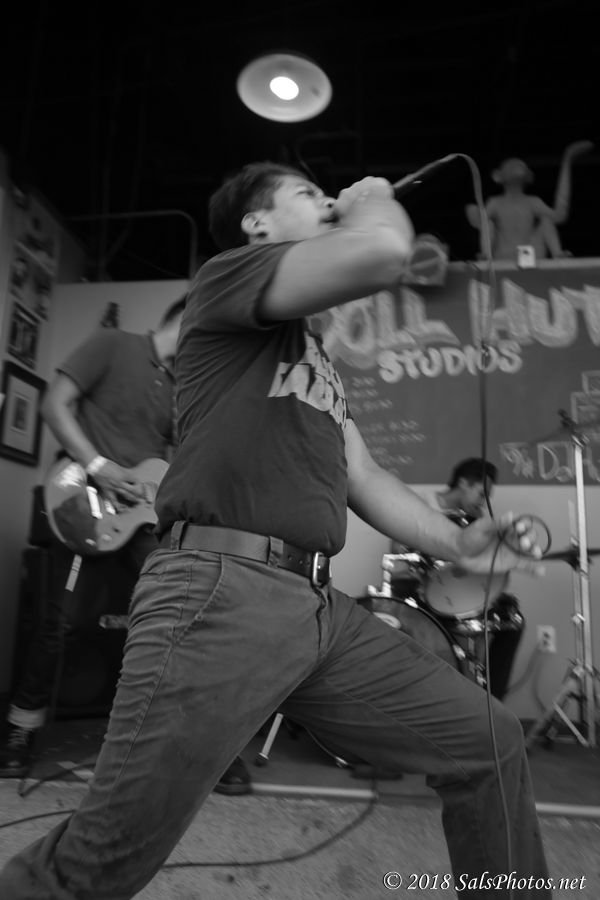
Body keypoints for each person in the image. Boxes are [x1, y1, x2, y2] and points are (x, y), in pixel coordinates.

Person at [0, 162, 549, 899]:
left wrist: (457, 541)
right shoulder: (228, 275)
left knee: (488, 741)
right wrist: (372, 197)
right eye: (306, 194)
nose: (326, 201)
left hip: (316, 608)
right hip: (220, 593)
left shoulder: (314, 358)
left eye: (328, 195)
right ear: (257, 223)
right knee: (98, 864)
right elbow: (382, 250)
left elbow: (365, 476)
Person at [0, 298, 251, 797]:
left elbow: (171, 464)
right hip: (84, 503)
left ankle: (201, 745)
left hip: (137, 520)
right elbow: (54, 405)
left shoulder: (183, 390)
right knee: (60, 623)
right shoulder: (113, 345)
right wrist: (100, 466)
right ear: (191, 323)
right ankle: (20, 728)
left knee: (182, 620)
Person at [392, 457, 525, 700]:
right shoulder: (422, 504)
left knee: (511, 619)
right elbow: (397, 549)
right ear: (463, 483)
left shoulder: (476, 519)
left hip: (457, 590)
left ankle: (490, 703)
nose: (483, 502)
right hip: (416, 587)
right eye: (481, 494)